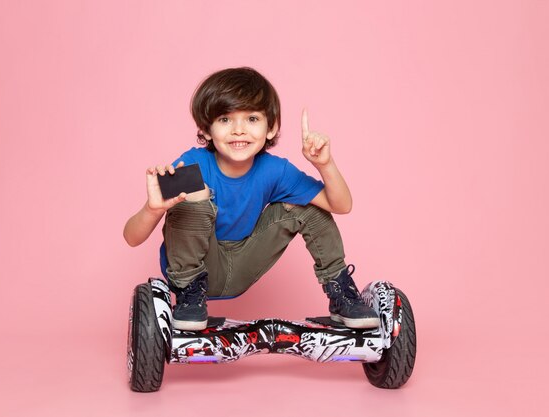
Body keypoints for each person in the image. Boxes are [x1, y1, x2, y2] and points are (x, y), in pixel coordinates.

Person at [123, 67, 379, 331]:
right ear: (206, 129)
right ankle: (189, 294)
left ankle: (341, 294)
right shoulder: (192, 164)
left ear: (272, 128)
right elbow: (132, 237)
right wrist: (152, 209)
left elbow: (341, 205)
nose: (238, 130)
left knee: (307, 206)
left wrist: (325, 165)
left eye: (252, 119)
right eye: (225, 119)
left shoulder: (275, 170)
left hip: (245, 261)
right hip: (198, 267)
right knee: (194, 192)